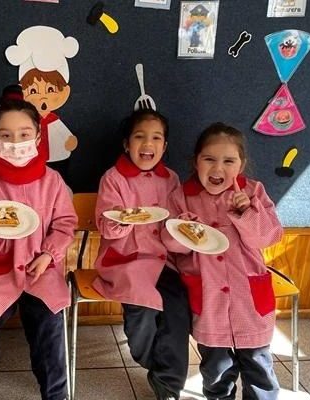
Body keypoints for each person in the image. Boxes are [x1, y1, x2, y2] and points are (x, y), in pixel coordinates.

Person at [0, 85, 77, 400]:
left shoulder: (52, 181)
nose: (16, 143)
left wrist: (49, 255)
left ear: (38, 137)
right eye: (6, 136)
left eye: (24, 134)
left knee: (49, 326)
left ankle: (56, 394)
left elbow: (65, 224)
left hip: (39, 268)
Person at [178, 122, 284, 400]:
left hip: (249, 300)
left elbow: (270, 236)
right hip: (209, 298)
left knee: (259, 368)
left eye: (229, 161)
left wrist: (247, 211)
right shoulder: (183, 196)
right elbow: (171, 247)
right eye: (209, 159)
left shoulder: (253, 192)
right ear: (195, 162)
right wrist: (183, 231)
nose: (218, 168)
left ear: (241, 164)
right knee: (216, 371)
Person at [91, 109, 191, 400]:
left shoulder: (170, 179)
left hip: (163, 261)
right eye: (140, 137)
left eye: (156, 138)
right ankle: (153, 362)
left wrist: (183, 225)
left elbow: (175, 223)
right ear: (126, 144)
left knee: (177, 306)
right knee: (142, 308)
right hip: (125, 260)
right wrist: (123, 218)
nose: (148, 144)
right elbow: (107, 227)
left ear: (165, 146)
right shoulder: (113, 178)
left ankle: (169, 383)